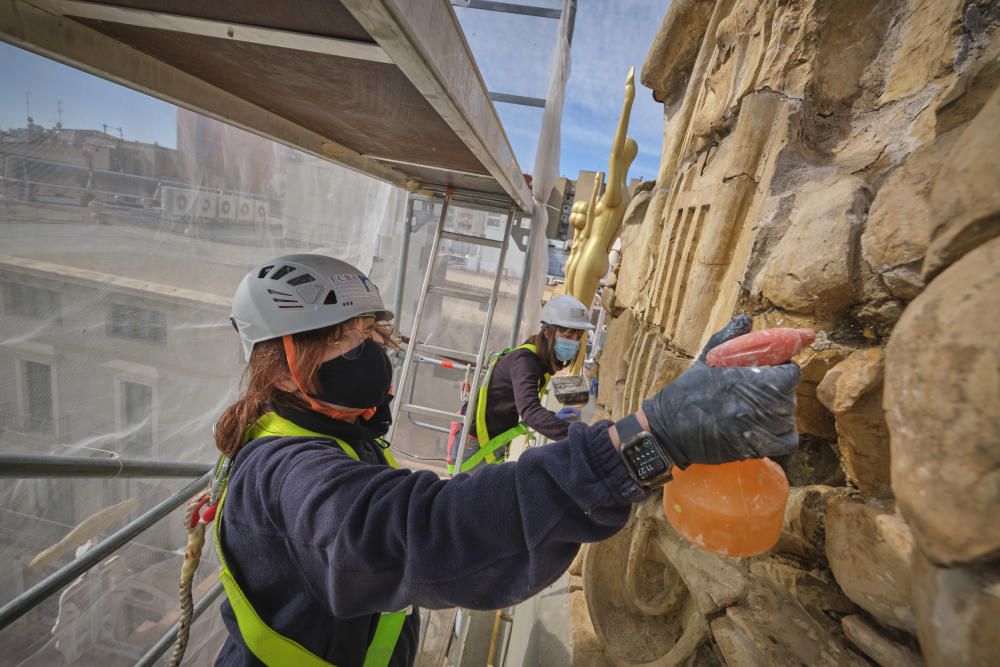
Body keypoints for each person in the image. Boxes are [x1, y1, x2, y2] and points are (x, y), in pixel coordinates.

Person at [212, 253, 801, 667]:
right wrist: (645, 442)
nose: (366, 348)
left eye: (368, 331)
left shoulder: (333, 430)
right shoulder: (287, 472)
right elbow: (422, 532)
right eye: (342, 337)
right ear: (282, 367)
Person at [447, 294, 594, 474]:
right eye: (567, 335)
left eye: (578, 336)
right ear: (547, 332)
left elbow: (526, 405)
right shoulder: (525, 361)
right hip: (475, 444)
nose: (573, 342)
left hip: (490, 441)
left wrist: (554, 418)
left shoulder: (538, 361)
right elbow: (530, 412)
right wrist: (577, 435)